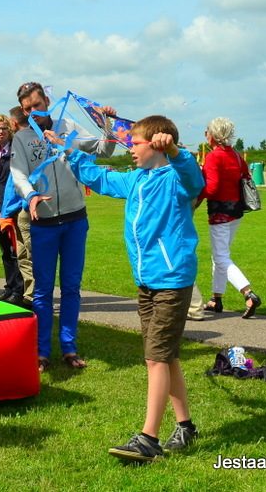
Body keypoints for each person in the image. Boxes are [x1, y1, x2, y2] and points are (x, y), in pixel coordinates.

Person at [54, 115, 203, 462]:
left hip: (172, 280)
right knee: (167, 356)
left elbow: (193, 178)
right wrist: (67, 150)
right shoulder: (137, 179)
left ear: (157, 144)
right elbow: (100, 178)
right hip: (147, 281)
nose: (130, 149)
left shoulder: (176, 180)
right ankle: (186, 426)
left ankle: (149, 439)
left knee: (155, 358)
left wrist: (175, 151)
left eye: (135, 143)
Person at [10, 81, 118, 372]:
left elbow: (104, 150)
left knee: (71, 288)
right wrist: (30, 195)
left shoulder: (68, 126)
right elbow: (18, 175)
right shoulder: (22, 138)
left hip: (74, 221)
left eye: (37, 104)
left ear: (47, 101)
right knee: (43, 290)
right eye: (27, 108)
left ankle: (69, 348)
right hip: (43, 224)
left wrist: (107, 125)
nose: (34, 111)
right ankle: (41, 351)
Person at [195, 118, 262, 319]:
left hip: (220, 212)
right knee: (220, 256)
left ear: (211, 135)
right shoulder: (235, 154)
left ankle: (248, 293)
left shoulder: (213, 156)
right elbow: (245, 175)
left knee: (221, 257)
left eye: (207, 132)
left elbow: (212, 187)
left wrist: (195, 197)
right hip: (236, 210)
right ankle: (216, 299)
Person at [0, 114, 26, 307]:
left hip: (11, 206)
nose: (0, 132)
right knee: (5, 251)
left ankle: (20, 290)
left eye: (3, 128)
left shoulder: (15, 150)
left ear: (9, 129)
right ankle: (10, 287)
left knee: (15, 250)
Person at [7, 106, 34, 306]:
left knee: (31, 253)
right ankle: (28, 295)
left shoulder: (24, 141)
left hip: (25, 205)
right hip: (19, 207)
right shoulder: (22, 140)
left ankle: (34, 296)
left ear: (14, 122)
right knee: (23, 255)